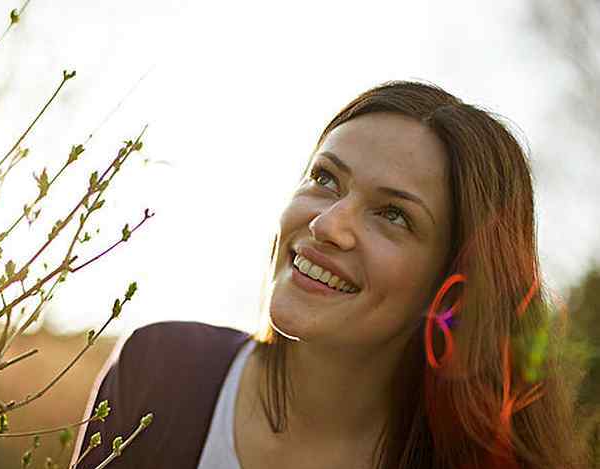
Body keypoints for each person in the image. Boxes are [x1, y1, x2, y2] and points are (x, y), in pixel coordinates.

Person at [70, 81, 583, 469]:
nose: (327, 224)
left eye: (393, 215)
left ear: (452, 288)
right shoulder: (159, 371)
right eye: (325, 178)